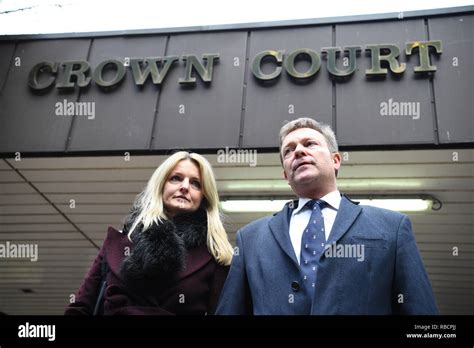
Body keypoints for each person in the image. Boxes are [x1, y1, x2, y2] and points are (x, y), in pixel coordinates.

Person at [216, 117, 438, 315]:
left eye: (310, 144)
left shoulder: (392, 227)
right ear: (285, 174)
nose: (299, 152)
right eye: (288, 150)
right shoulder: (251, 238)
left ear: (336, 160)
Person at [65, 151, 233, 315]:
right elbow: (80, 307)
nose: (184, 187)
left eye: (196, 183)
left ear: (204, 196)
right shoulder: (117, 242)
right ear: (160, 186)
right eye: (176, 178)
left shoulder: (215, 254)